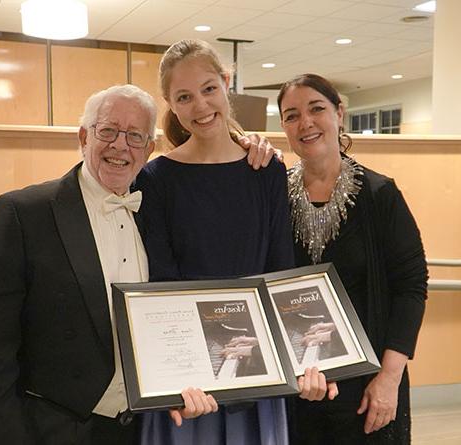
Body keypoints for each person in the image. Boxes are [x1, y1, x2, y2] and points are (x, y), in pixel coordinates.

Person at [0, 83, 283, 445]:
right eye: (108, 131)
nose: (120, 145)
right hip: (50, 429)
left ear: (149, 149)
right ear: (84, 136)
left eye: (135, 136)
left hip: (140, 429)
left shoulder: (156, 209)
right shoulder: (24, 213)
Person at [136, 39, 335, 445]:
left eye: (209, 89)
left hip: (258, 366)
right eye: (184, 97)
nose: (201, 106)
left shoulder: (266, 170)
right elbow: (162, 281)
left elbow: (281, 269)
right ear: (170, 104)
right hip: (190, 375)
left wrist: (300, 360)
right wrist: (189, 364)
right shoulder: (156, 179)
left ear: (227, 83)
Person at [277, 73, 428, 444]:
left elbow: (411, 288)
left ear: (339, 113)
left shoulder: (380, 195)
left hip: (368, 387)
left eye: (316, 109)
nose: (305, 123)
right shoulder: (274, 197)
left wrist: (389, 379)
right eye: (292, 115)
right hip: (299, 385)